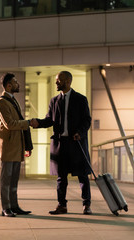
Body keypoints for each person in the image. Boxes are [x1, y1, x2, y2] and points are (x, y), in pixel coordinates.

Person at [30, 71, 92, 215]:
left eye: (59, 80)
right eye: (56, 80)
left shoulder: (81, 99)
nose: (56, 83)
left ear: (68, 81)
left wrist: (80, 133)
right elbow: (49, 120)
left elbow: (87, 120)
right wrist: (37, 123)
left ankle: (86, 205)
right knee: (61, 177)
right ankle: (61, 205)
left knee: (82, 175)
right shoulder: (54, 100)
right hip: (60, 144)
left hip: (76, 143)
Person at [0, 73, 33, 217]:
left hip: (17, 145)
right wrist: (28, 123)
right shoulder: (1, 102)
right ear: (9, 85)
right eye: (15, 82)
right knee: (6, 180)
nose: (18, 84)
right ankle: (6, 208)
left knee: (14, 179)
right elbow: (10, 124)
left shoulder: (12, 100)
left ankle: (14, 206)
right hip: (8, 146)